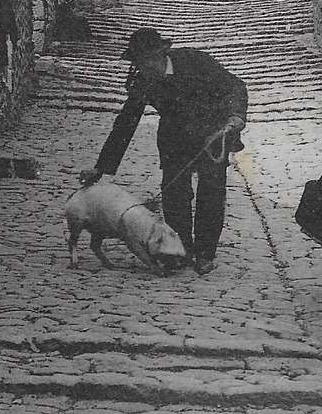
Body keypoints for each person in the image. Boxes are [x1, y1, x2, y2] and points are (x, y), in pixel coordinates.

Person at [80, 28, 248, 275]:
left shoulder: (196, 61)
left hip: (213, 134)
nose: (142, 68)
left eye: (145, 61)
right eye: (137, 63)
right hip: (174, 140)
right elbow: (126, 122)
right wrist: (102, 167)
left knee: (211, 194)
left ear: (160, 55)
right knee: (175, 196)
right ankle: (180, 250)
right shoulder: (142, 81)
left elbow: (235, 87)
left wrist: (236, 115)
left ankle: (205, 253)